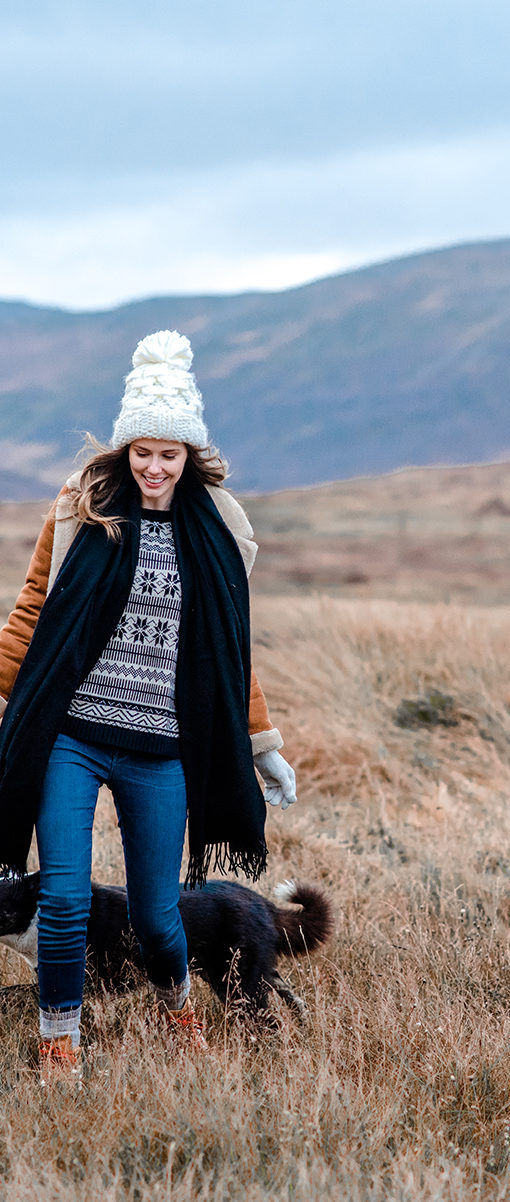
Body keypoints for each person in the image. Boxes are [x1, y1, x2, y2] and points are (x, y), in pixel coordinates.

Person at [0, 330, 297, 1076]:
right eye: (142, 452)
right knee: (64, 902)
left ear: (188, 457)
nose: (154, 467)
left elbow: (230, 651)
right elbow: (33, 610)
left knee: (156, 920)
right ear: (125, 450)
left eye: (169, 454)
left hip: (161, 751)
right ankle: (59, 1045)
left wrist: (264, 745)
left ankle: (179, 1012)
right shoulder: (81, 509)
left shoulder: (217, 527)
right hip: (71, 735)